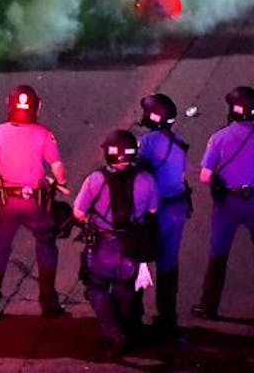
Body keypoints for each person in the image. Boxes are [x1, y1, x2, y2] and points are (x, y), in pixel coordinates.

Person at [193, 85, 254, 323]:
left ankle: (209, 307)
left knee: (218, 255)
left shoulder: (219, 138)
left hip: (227, 204)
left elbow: (205, 176)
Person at [0, 84, 68, 318]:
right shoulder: (43, 134)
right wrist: (58, 180)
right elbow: (58, 169)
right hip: (35, 204)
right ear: (37, 107)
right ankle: (49, 304)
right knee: (46, 244)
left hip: (6, 203)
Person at [74, 129, 160, 359]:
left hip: (103, 245)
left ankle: (114, 334)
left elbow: (78, 212)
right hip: (131, 246)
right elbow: (153, 210)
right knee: (125, 289)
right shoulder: (147, 179)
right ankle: (127, 330)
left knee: (96, 288)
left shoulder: (95, 180)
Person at [136, 92, 191, 336]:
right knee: (168, 262)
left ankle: (133, 315)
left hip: (154, 209)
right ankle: (168, 317)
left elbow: (135, 172)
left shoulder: (147, 143)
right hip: (178, 208)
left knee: (137, 255)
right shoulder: (178, 140)